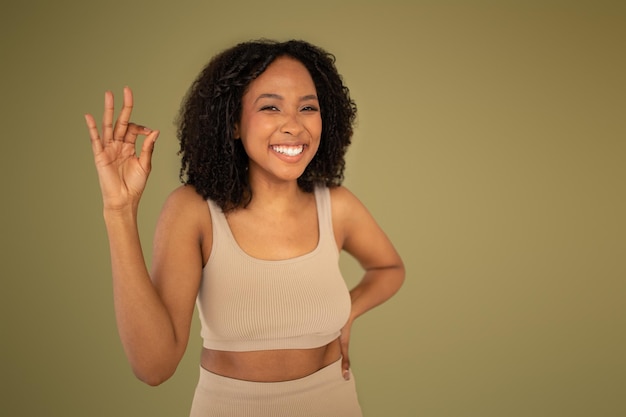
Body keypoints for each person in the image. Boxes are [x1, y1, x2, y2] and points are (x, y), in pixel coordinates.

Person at [84, 39, 404, 417]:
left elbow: (389, 269)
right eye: (270, 107)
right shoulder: (193, 211)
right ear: (233, 123)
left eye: (308, 107)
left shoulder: (336, 205)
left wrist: (347, 312)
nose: (294, 125)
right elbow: (154, 367)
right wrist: (119, 211)